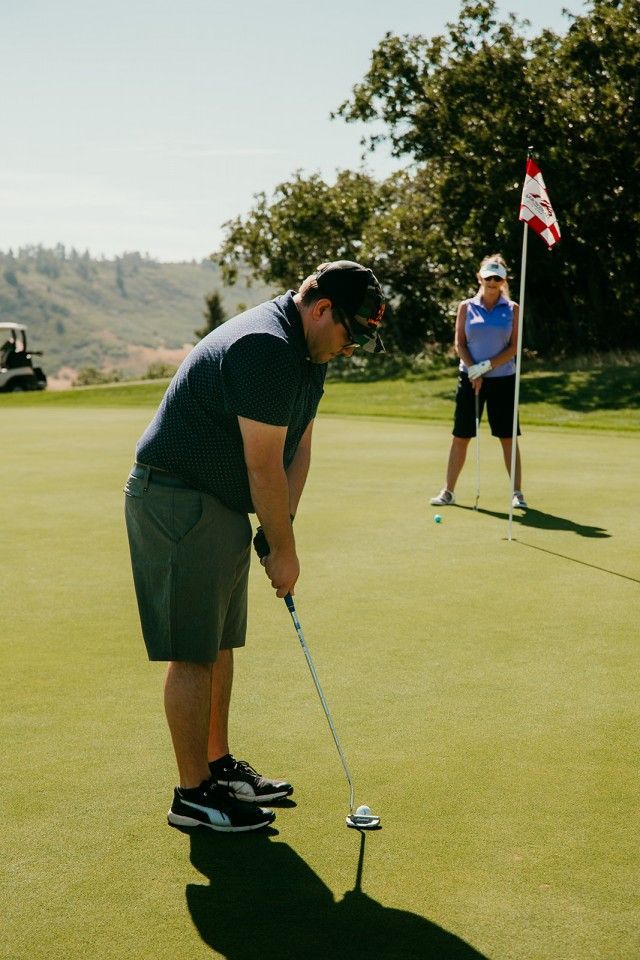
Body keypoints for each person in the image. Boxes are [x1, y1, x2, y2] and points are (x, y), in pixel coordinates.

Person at [124, 260, 386, 833]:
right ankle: (193, 797)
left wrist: (278, 530)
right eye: (350, 334)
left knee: (218, 642)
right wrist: (286, 554)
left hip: (214, 499)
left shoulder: (309, 352)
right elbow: (262, 466)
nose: (350, 349)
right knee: (192, 649)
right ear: (321, 310)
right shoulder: (265, 347)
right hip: (177, 496)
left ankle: (216, 767)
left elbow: (298, 446)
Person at [430, 254, 528, 509]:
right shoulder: (466, 306)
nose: (492, 282)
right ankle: (448, 491)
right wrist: (474, 370)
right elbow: (459, 343)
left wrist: (485, 367)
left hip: (503, 379)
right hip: (469, 378)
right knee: (461, 435)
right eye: (488, 277)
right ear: (480, 278)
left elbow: (514, 347)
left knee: (507, 438)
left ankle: (517, 493)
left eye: (497, 278)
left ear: (503, 280)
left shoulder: (513, 309)